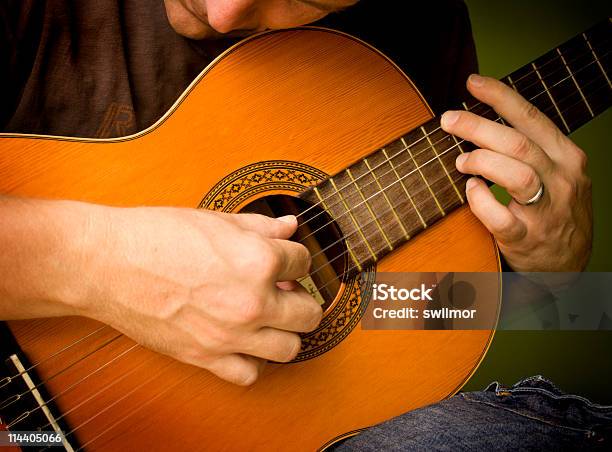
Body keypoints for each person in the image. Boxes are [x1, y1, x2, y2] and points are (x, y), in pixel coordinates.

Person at [1, 0, 608, 449]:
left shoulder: (413, 24)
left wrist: (546, 279)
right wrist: (99, 263)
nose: (223, 10)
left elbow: (407, 317)